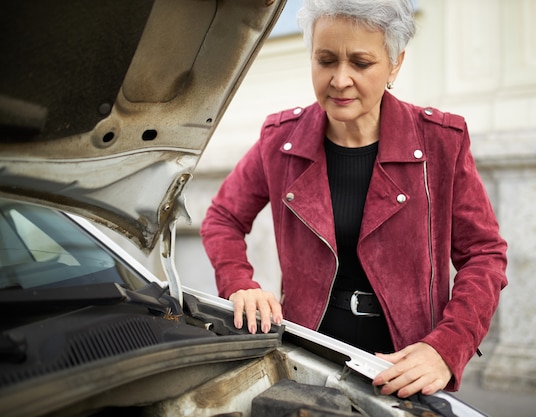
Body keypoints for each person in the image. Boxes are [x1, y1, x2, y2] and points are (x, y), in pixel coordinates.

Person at [201, 0, 507, 398]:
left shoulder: (440, 141)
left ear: (394, 64)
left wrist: (447, 348)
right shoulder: (280, 140)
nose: (340, 80)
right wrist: (239, 283)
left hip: (408, 366)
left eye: (361, 63)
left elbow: (484, 254)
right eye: (326, 60)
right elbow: (223, 217)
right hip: (306, 358)